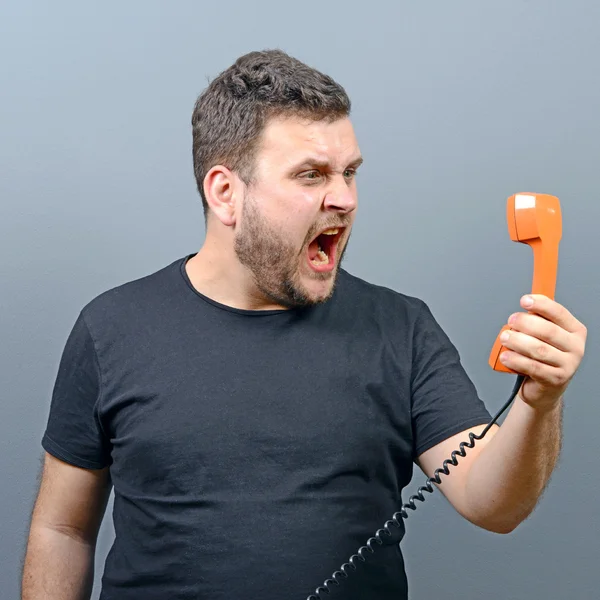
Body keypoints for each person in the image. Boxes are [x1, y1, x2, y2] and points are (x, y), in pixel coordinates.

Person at [21, 49, 587, 600]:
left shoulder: (402, 327)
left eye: (349, 172)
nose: (343, 199)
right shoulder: (111, 327)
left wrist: (540, 403)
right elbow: (61, 530)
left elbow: (494, 505)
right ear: (225, 193)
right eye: (311, 175)